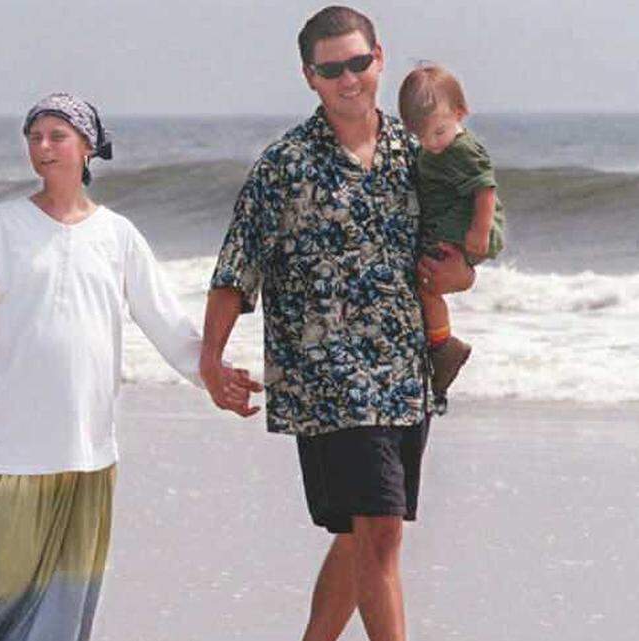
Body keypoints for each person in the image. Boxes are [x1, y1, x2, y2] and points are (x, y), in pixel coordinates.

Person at [0, 92, 259, 641]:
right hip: (8, 447)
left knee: (58, 610)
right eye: (34, 137)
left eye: (57, 135)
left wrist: (213, 377)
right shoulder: (2, 224)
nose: (43, 147)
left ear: (88, 146)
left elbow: (167, 325)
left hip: (86, 450)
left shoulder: (118, 236)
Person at [199, 7, 475, 641]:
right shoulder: (284, 165)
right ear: (310, 77)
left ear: (379, 59)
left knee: (365, 535)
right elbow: (235, 270)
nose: (349, 78)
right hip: (325, 379)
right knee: (378, 530)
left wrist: (460, 272)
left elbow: (457, 262)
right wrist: (211, 362)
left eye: (358, 63)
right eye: (332, 69)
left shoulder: (421, 156)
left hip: (406, 375)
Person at [398, 63, 506, 400]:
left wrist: (478, 231)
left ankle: (443, 346)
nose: (430, 143)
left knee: (427, 283)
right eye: (420, 136)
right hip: (449, 227)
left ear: (461, 112)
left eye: (439, 131)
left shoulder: (461, 149)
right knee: (426, 286)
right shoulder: (435, 145)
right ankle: (442, 344)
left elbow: (485, 190)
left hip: (467, 231)